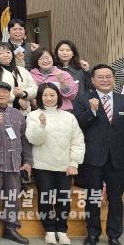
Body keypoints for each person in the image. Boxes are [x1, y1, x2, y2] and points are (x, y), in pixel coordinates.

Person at [26, 83, 85, 245]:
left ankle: (62, 230)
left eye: (52, 95)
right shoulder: (33, 115)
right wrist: (41, 125)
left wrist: (74, 163)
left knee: (63, 200)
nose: (49, 98)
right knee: (45, 199)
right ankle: (49, 230)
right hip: (42, 165)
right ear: (39, 97)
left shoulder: (69, 117)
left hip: (65, 166)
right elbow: (34, 140)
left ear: (58, 96)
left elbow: (78, 141)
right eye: (45, 95)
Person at [72, 64, 124, 245]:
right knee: (92, 198)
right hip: (93, 158)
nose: (105, 80)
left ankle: (114, 235)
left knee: (116, 199)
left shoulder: (122, 99)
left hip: (118, 159)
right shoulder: (83, 99)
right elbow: (78, 124)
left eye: (108, 76)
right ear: (93, 80)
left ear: (114, 79)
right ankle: (93, 233)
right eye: (100, 77)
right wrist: (92, 110)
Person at [0, 81, 33, 245]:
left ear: (10, 95)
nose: (1, 94)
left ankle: (10, 228)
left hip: (14, 162)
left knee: (13, 198)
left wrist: (28, 161)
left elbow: (24, 140)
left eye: (4, 91)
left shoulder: (17, 114)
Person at [0, 42, 38, 115]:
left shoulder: (21, 70)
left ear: (12, 54)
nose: (5, 55)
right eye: (1, 53)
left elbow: (34, 88)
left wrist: (23, 93)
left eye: (8, 52)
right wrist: (17, 100)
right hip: (3, 113)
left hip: (25, 112)